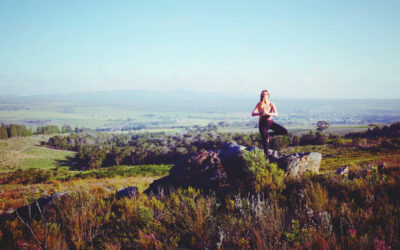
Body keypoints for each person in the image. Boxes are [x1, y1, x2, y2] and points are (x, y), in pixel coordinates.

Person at [251, 89, 288, 159]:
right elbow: (252, 113)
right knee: (265, 140)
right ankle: (266, 157)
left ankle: (269, 134)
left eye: (265, 94)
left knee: (284, 131)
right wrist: (260, 113)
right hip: (262, 123)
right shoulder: (259, 104)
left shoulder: (271, 104)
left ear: (268, 95)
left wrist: (268, 113)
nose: (264, 96)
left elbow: (276, 114)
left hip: (270, 122)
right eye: (262, 95)